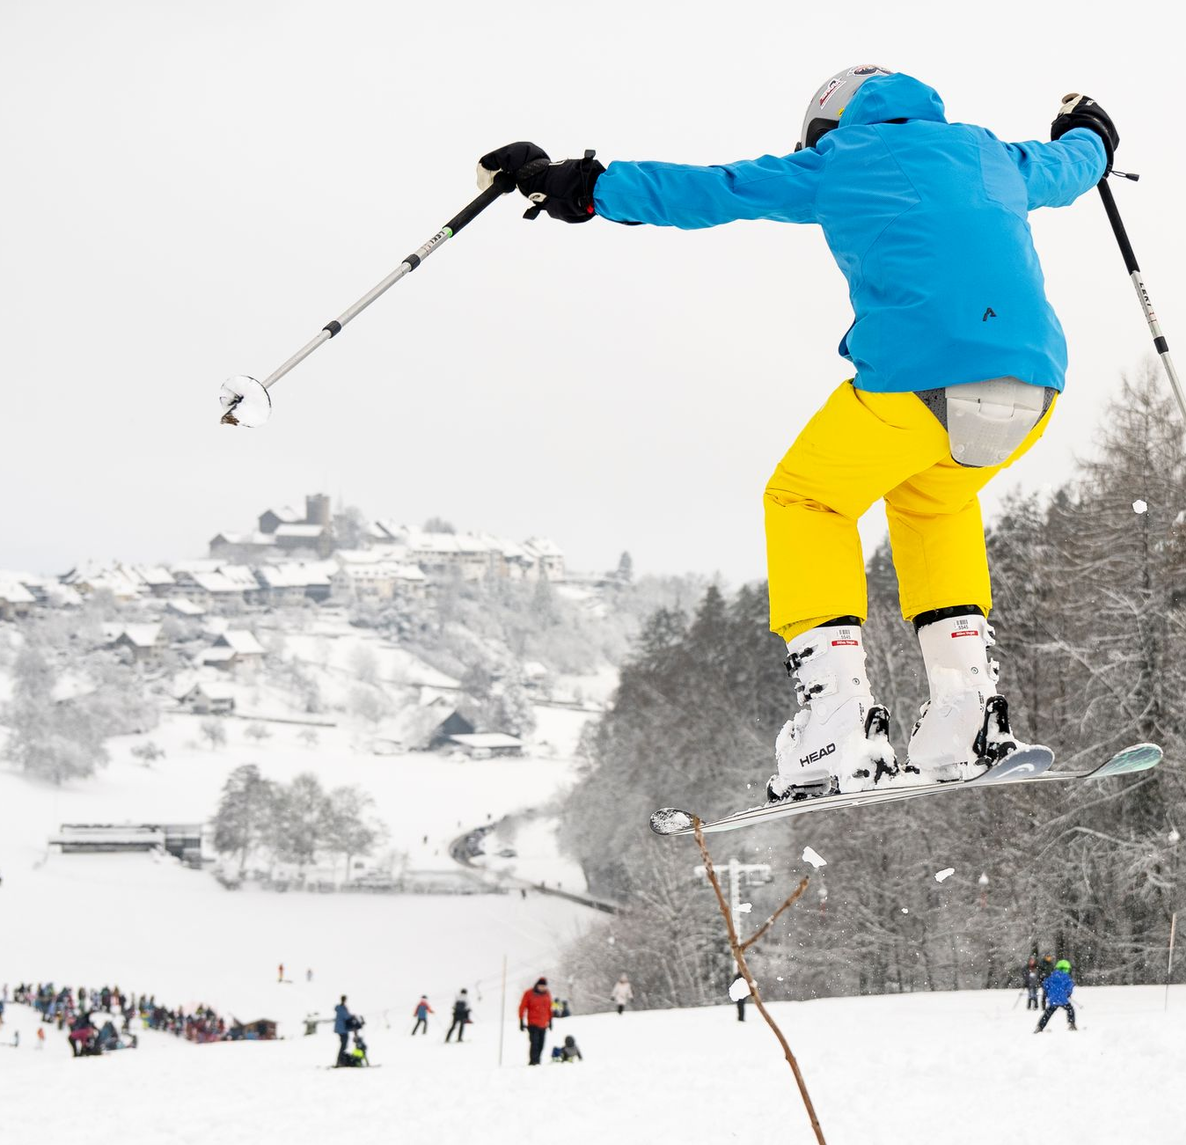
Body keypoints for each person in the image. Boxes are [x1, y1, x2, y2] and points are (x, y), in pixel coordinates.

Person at [476, 75, 1115, 800]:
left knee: (806, 500)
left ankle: (838, 720)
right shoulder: (993, 155)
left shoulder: (845, 159)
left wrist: (583, 186)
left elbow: (715, 189)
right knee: (934, 505)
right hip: (1034, 386)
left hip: (919, 380)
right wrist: (1091, 132)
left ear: (830, 127)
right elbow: (1074, 166)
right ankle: (967, 717)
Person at [518, 977, 554, 1066]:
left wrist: (550, 1020)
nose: (542, 988)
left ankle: (537, 1061)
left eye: (544, 986)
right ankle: (534, 1062)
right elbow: (522, 1007)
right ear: (537, 985)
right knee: (534, 1043)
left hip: (543, 1024)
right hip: (533, 1023)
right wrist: (521, 1020)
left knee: (541, 1044)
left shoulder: (547, 994)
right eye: (540, 986)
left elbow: (549, 1008)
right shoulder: (529, 993)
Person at [1035, 959, 1077, 1032]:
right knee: (1070, 1010)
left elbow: (1045, 985)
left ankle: (1040, 1027)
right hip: (1063, 999)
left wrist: (1049, 993)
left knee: (1048, 1013)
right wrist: (1067, 994)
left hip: (1053, 999)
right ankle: (1072, 1024)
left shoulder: (1052, 976)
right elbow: (1069, 987)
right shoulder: (1067, 977)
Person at [334, 996, 351, 1065]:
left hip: (341, 1029)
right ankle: (340, 1061)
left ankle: (341, 1060)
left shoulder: (339, 1008)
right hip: (342, 1030)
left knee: (343, 1045)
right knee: (343, 1045)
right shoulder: (342, 1008)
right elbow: (346, 1017)